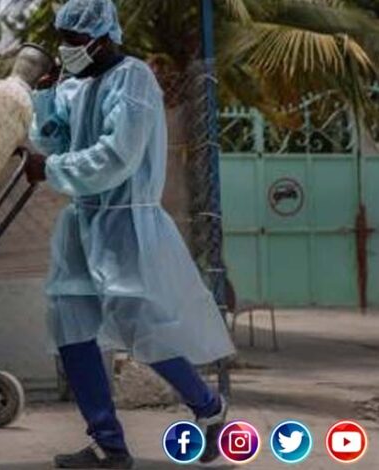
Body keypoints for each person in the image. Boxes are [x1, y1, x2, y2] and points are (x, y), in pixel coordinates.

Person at [25, 0, 236, 468]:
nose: (66, 48)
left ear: (103, 38)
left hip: (126, 223)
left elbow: (117, 156)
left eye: (76, 40)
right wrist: (45, 100)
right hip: (82, 222)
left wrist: (51, 168)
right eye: (63, 39)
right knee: (69, 322)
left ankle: (208, 407)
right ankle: (108, 443)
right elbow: (53, 141)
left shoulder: (134, 78)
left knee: (140, 327)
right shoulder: (75, 84)